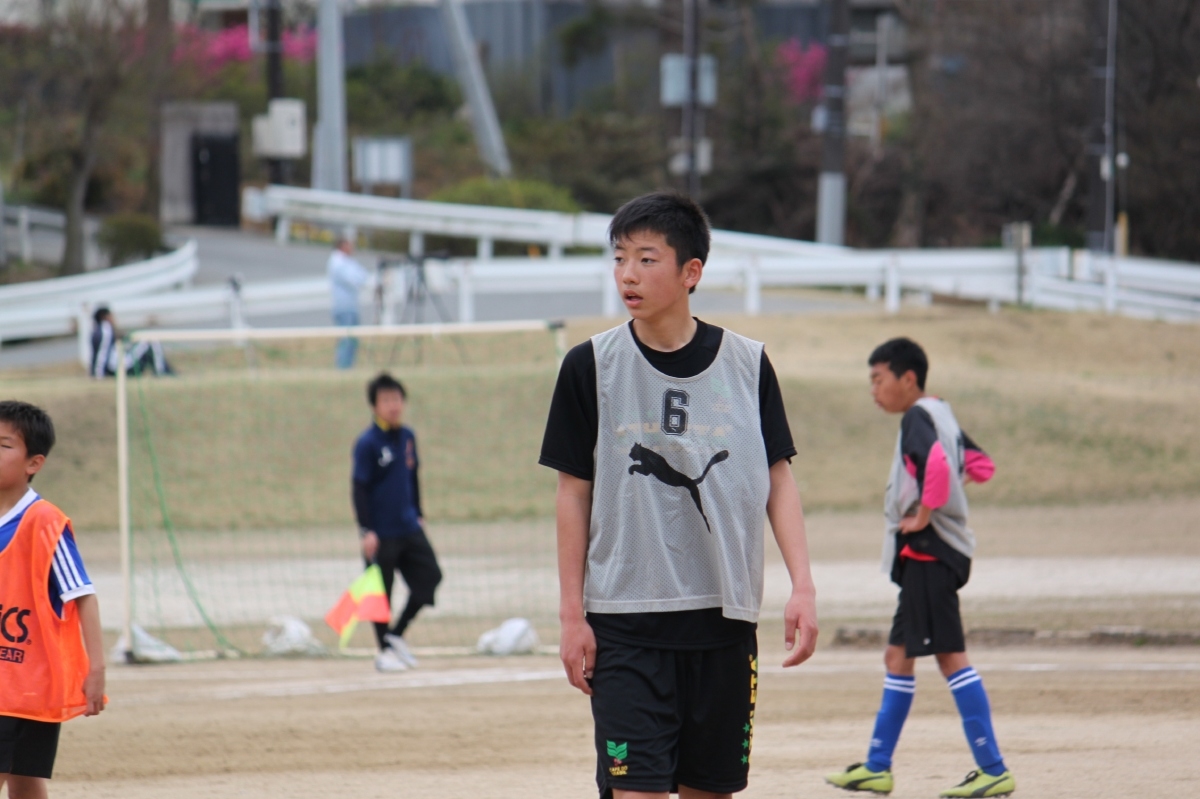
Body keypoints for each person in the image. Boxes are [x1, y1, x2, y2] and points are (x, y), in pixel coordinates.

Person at [540, 192, 819, 799]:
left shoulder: (748, 364)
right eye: (620, 258)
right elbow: (572, 495)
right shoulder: (590, 366)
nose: (628, 275)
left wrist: (803, 586)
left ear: (691, 272)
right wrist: (571, 615)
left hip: (724, 624)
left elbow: (777, 478)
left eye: (646, 259)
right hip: (624, 627)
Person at [824, 337, 1013, 798]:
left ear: (908, 379)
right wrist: (947, 495)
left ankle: (993, 769)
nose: (873, 390)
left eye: (878, 379)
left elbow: (939, 469)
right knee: (897, 656)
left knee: (950, 658)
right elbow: (982, 465)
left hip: (929, 552)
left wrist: (926, 513)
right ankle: (877, 767)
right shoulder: (940, 413)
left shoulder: (916, 417)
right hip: (928, 557)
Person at [0, 401, 106, 799]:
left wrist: (96, 668)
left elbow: (82, 595)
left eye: (3, 445)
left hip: (26, 683)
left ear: (34, 463)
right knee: (25, 782)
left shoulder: (44, 521)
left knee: (22, 777)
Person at [351, 372, 442, 672]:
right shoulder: (367, 443)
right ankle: (384, 652)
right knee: (380, 593)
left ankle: (396, 635)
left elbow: (412, 477)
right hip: (381, 532)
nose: (393, 405)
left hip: (408, 526)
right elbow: (359, 488)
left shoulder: (407, 437)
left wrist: (418, 512)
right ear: (374, 406)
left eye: (397, 399)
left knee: (431, 577)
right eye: (386, 400)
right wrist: (366, 530)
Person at [89, 307, 172, 378]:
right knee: (151, 341)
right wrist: (98, 375)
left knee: (146, 343)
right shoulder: (105, 329)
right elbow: (102, 353)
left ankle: (164, 371)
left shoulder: (100, 329)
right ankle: (162, 372)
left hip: (119, 364)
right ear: (104, 317)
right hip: (120, 367)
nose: (114, 319)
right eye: (111, 316)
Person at [327, 236, 371, 369]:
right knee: (346, 338)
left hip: (351, 306)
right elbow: (354, 279)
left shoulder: (347, 261)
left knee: (353, 339)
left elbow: (363, 276)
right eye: (349, 245)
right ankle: (343, 367)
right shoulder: (337, 262)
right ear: (342, 246)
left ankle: (349, 366)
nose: (352, 248)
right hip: (343, 306)